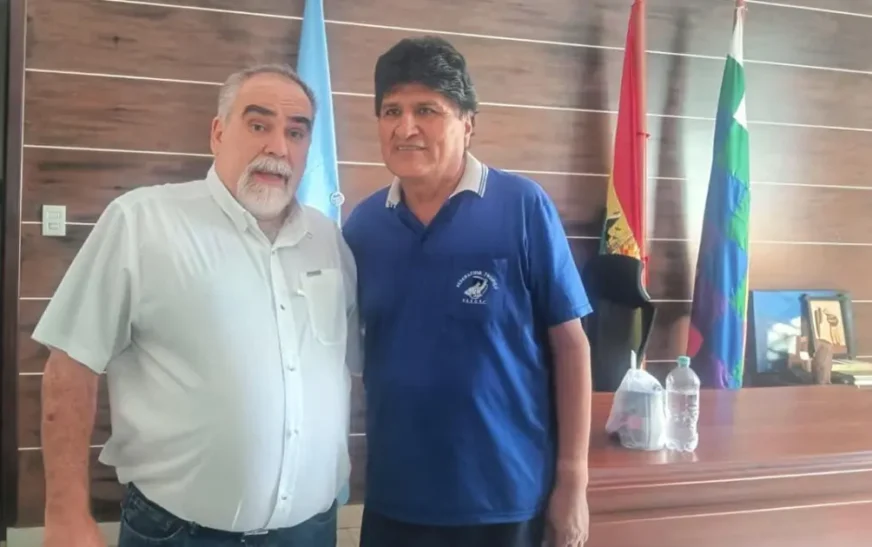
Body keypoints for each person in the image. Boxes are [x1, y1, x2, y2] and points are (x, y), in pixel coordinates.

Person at [35, 64, 359, 547]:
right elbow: (70, 366)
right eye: (258, 125)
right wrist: (64, 514)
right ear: (218, 133)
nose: (278, 147)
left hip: (311, 530)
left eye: (295, 132)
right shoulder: (142, 222)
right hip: (179, 533)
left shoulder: (328, 239)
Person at [342, 37, 593, 547]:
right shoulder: (363, 227)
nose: (405, 127)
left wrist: (573, 481)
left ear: (468, 123)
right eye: (391, 111)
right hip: (396, 497)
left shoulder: (522, 206)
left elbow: (571, 346)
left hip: (504, 498)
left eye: (426, 110)